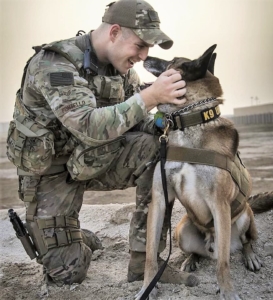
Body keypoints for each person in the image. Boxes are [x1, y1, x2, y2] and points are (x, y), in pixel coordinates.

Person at [7, 0, 198, 288]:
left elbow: (134, 120)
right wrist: (150, 97)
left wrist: (168, 122)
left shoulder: (122, 72)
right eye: (140, 45)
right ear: (115, 32)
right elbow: (87, 125)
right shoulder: (54, 64)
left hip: (93, 161)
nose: (144, 56)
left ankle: (144, 264)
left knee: (159, 151)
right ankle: (75, 236)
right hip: (50, 173)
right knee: (68, 274)